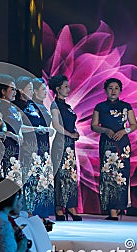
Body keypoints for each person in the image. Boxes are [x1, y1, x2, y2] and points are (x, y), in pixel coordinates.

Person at [91, 78, 137, 220]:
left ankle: (119, 207)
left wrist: (124, 131)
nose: (113, 90)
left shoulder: (126, 106)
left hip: (122, 144)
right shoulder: (100, 107)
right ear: (105, 90)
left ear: (120, 90)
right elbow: (93, 125)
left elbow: (134, 124)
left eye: (116, 88)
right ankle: (112, 209)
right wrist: (105, 130)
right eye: (110, 88)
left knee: (122, 176)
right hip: (107, 144)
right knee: (108, 175)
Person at [49, 75, 81, 221]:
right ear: (58, 88)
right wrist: (70, 134)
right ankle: (58, 207)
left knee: (70, 175)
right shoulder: (55, 105)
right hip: (61, 143)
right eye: (65, 86)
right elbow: (56, 125)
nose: (68, 89)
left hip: (70, 145)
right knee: (60, 175)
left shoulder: (68, 107)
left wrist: (75, 133)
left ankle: (70, 206)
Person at [21, 77, 55, 218]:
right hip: (31, 146)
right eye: (42, 89)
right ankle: (31, 212)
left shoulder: (41, 107)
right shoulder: (26, 107)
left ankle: (43, 213)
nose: (46, 92)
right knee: (32, 178)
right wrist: (38, 129)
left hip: (44, 146)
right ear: (34, 91)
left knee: (43, 178)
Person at [0, 73, 24, 183]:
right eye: (12, 89)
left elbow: (19, 126)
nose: (15, 93)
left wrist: (19, 135)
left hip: (17, 148)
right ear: (3, 91)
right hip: (4, 147)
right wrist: (11, 135)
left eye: (15, 90)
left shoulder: (14, 108)